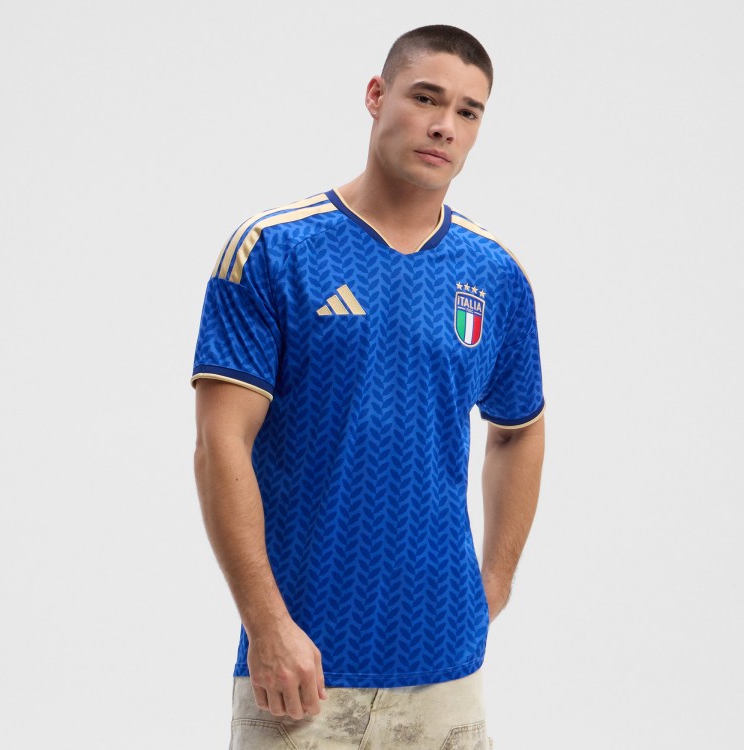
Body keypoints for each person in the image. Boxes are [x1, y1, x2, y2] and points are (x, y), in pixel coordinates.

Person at [192, 24, 545, 750]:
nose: (445, 126)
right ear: (377, 95)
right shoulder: (274, 250)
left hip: (446, 672)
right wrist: (267, 624)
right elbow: (219, 443)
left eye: (469, 111)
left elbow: (518, 430)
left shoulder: (495, 274)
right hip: (299, 672)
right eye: (427, 98)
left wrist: (494, 583)